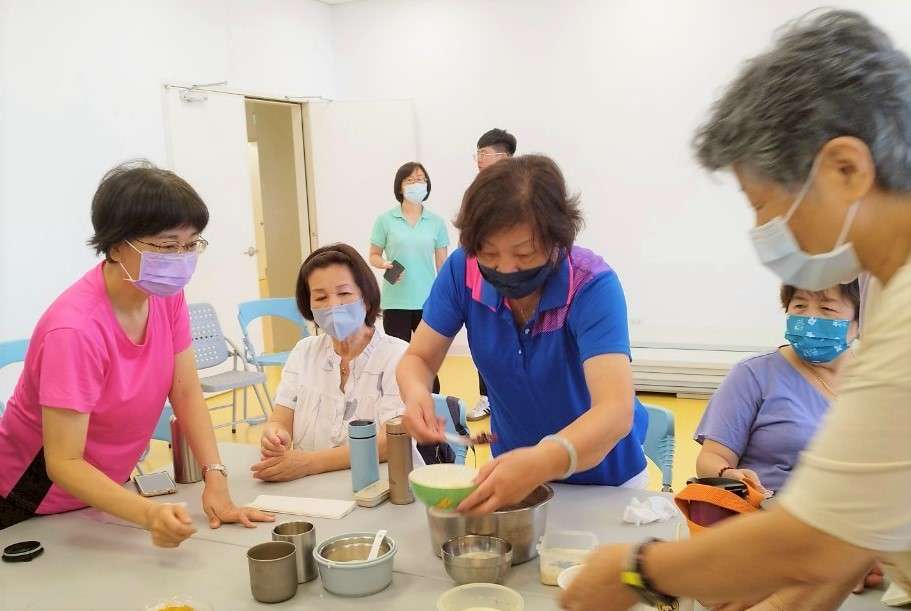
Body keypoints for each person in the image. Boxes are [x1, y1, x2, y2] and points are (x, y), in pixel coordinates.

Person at [561, 10, 911, 611]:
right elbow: (851, 530)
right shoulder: (883, 297)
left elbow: (810, 543)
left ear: (847, 169)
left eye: (764, 204)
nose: (763, 231)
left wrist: (634, 570)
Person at [0, 161, 272, 546]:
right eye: (165, 246)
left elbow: (186, 391)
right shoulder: (75, 330)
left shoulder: (165, 295)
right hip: (31, 501)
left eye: (190, 244)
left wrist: (216, 477)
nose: (180, 258)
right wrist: (149, 515)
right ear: (115, 245)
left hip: (103, 494)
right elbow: (63, 462)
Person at [397, 154, 648, 516]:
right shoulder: (462, 272)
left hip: (606, 486)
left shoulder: (590, 285)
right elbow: (418, 358)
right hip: (514, 482)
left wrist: (540, 461)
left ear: (558, 238)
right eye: (489, 253)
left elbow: (614, 412)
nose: (505, 269)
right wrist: (416, 393)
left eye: (524, 253)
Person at [252, 244, 421, 481]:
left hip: (383, 487)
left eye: (344, 294)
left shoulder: (398, 355)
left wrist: (309, 463)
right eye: (320, 297)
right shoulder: (304, 352)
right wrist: (275, 436)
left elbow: (390, 443)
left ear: (366, 299)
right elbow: (280, 419)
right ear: (309, 307)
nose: (333, 305)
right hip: (312, 490)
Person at [696, 281, 859, 495]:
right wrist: (727, 474)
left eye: (827, 308)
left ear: (861, 320)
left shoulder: (881, 382)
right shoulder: (753, 374)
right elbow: (712, 458)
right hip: (768, 514)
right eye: (799, 306)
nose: (809, 318)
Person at [369, 162, 449, 394]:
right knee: (397, 356)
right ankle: (398, 404)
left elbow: (443, 265)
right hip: (396, 300)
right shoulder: (385, 220)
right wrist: (385, 264)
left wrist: (446, 298)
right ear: (400, 186)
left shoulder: (436, 222)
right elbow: (373, 255)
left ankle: (433, 402)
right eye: (410, 180)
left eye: (421, 179)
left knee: (428, 358)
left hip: (427, 301)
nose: (417, 184)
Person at [470, 128, 518, 420]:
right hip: (484, 276)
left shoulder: (521, 188)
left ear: (503, 157)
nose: (478, 160)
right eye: (476, 154)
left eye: (483, 154)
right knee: (485, 336)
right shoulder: (478, 191)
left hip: (515, 279)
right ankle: (486, 396)